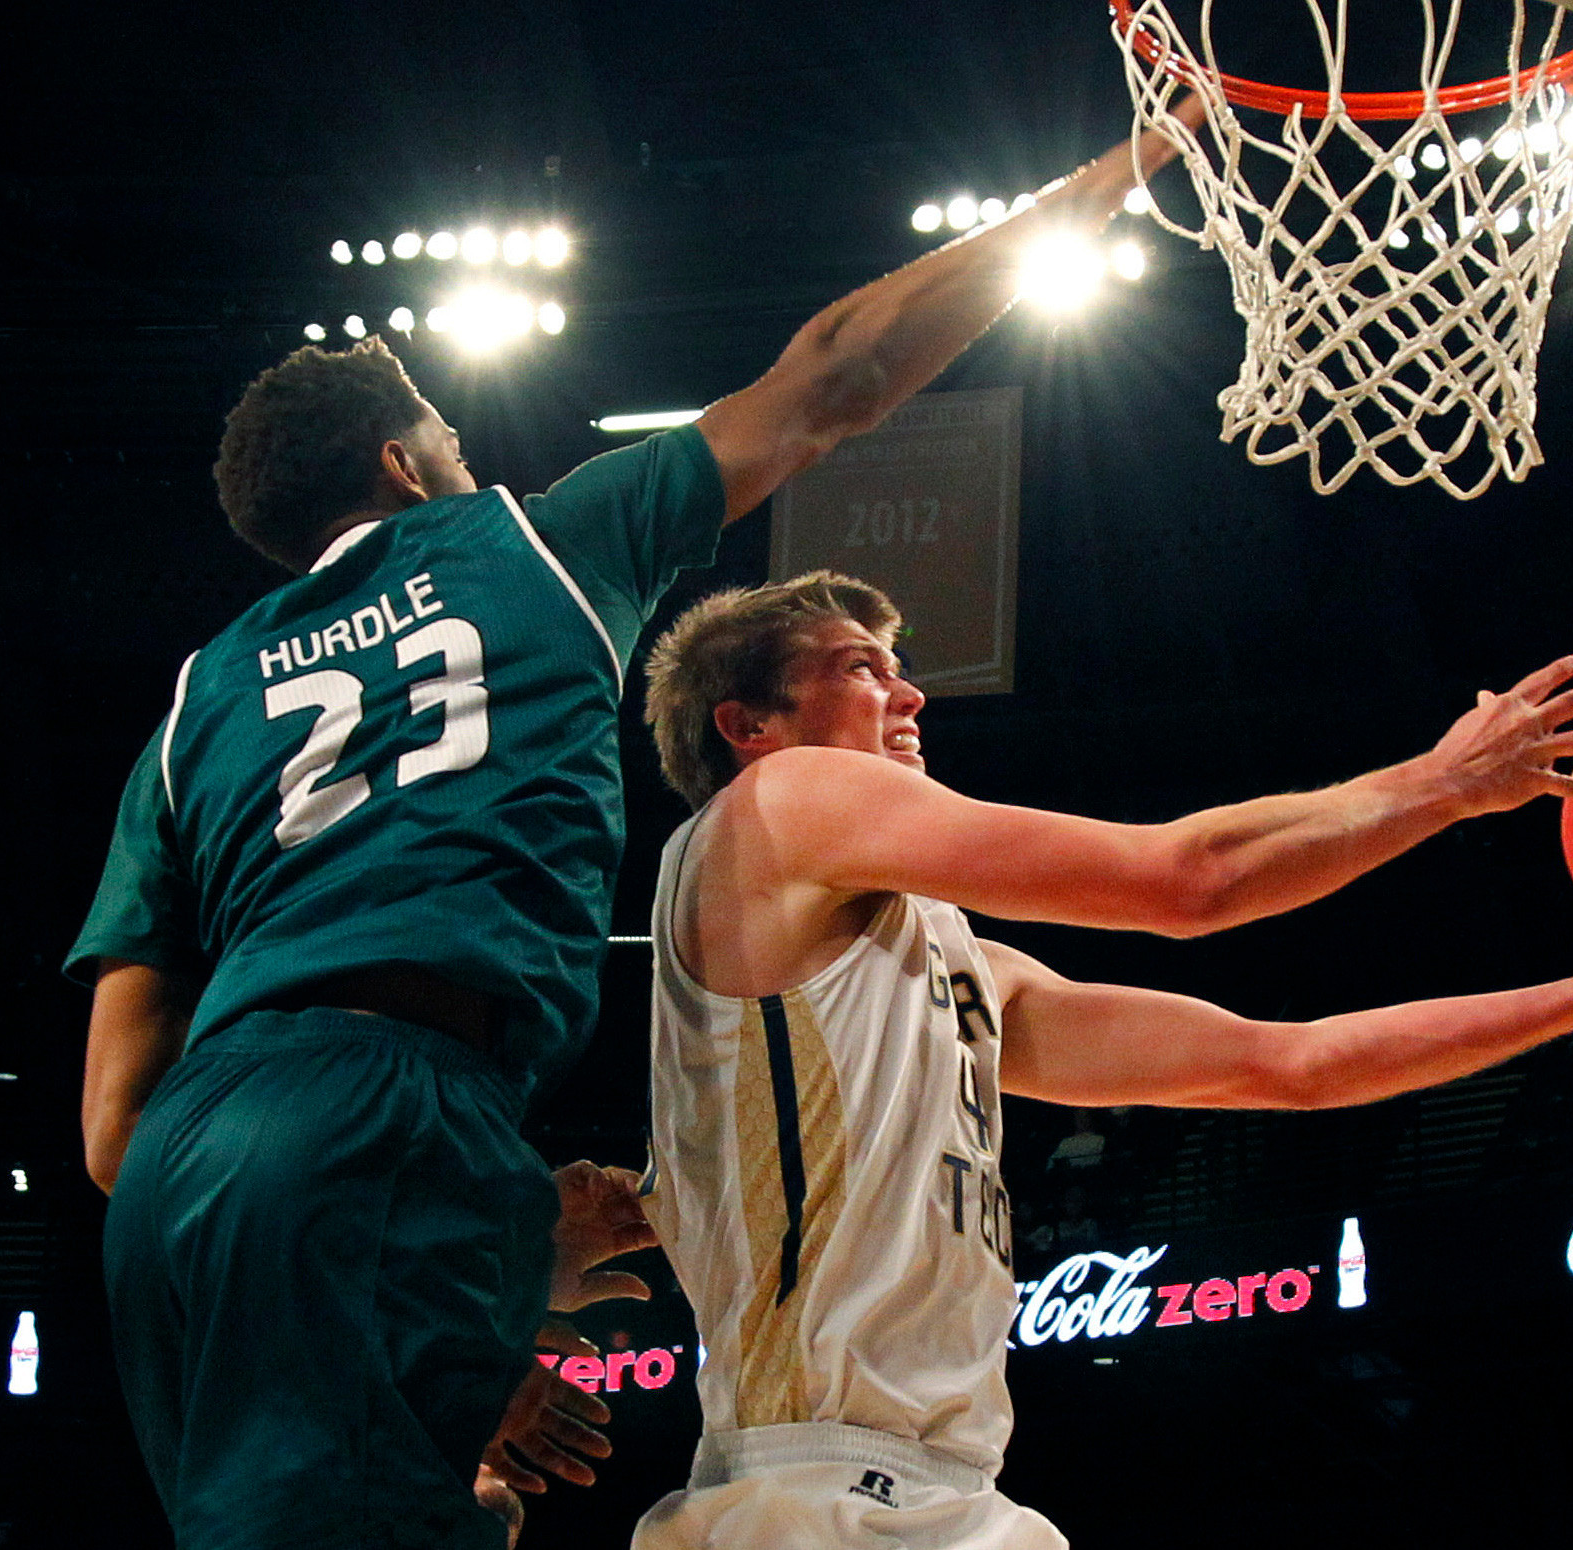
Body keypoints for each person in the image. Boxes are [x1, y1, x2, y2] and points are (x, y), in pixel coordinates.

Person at [66, 109, 1199, 1550]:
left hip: (190, 1182)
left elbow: (112, 1126)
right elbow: (837, 376)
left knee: (455, 1509)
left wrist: (380, 1261)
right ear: (408, 465)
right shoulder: (525, 544)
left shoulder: (189, 704)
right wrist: (1104, 183)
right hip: (397, 1106)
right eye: (453, 438)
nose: (468, 462)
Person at [631, 572, 1573, 1549]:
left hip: (937, 1493)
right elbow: (1187, 883)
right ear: (749, 725)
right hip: (815, 1490)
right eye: (858, 666)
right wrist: (1439, 786)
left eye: (895, 662)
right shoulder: (780, 803)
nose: (907, 689)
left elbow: (1287, 1066)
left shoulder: (951, 967)